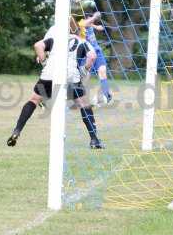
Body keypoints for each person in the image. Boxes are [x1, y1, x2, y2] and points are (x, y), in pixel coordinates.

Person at [7, 20, 104, 149]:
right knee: (84, 104)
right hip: (71, 77)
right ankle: (94, 140)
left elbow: (37, 45)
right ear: (75, 30)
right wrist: (84, 70)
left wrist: (44, 62)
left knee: (34, 100)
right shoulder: (82, 41)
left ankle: (17, 130)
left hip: (49, 75)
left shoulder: (54, 39)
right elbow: (92, 56)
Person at [78, 12, 112, 104]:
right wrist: (94, 17)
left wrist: (97, 27)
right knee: (85, 77)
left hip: (97, 51)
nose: (92, 21)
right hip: (87, 54)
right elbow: (85, 23)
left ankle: (106, 95)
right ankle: (78, 97)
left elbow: (92, 24)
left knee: (102, 71)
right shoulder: (81, 23)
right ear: (87, 18)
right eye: (91, 19)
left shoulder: (90, 24)